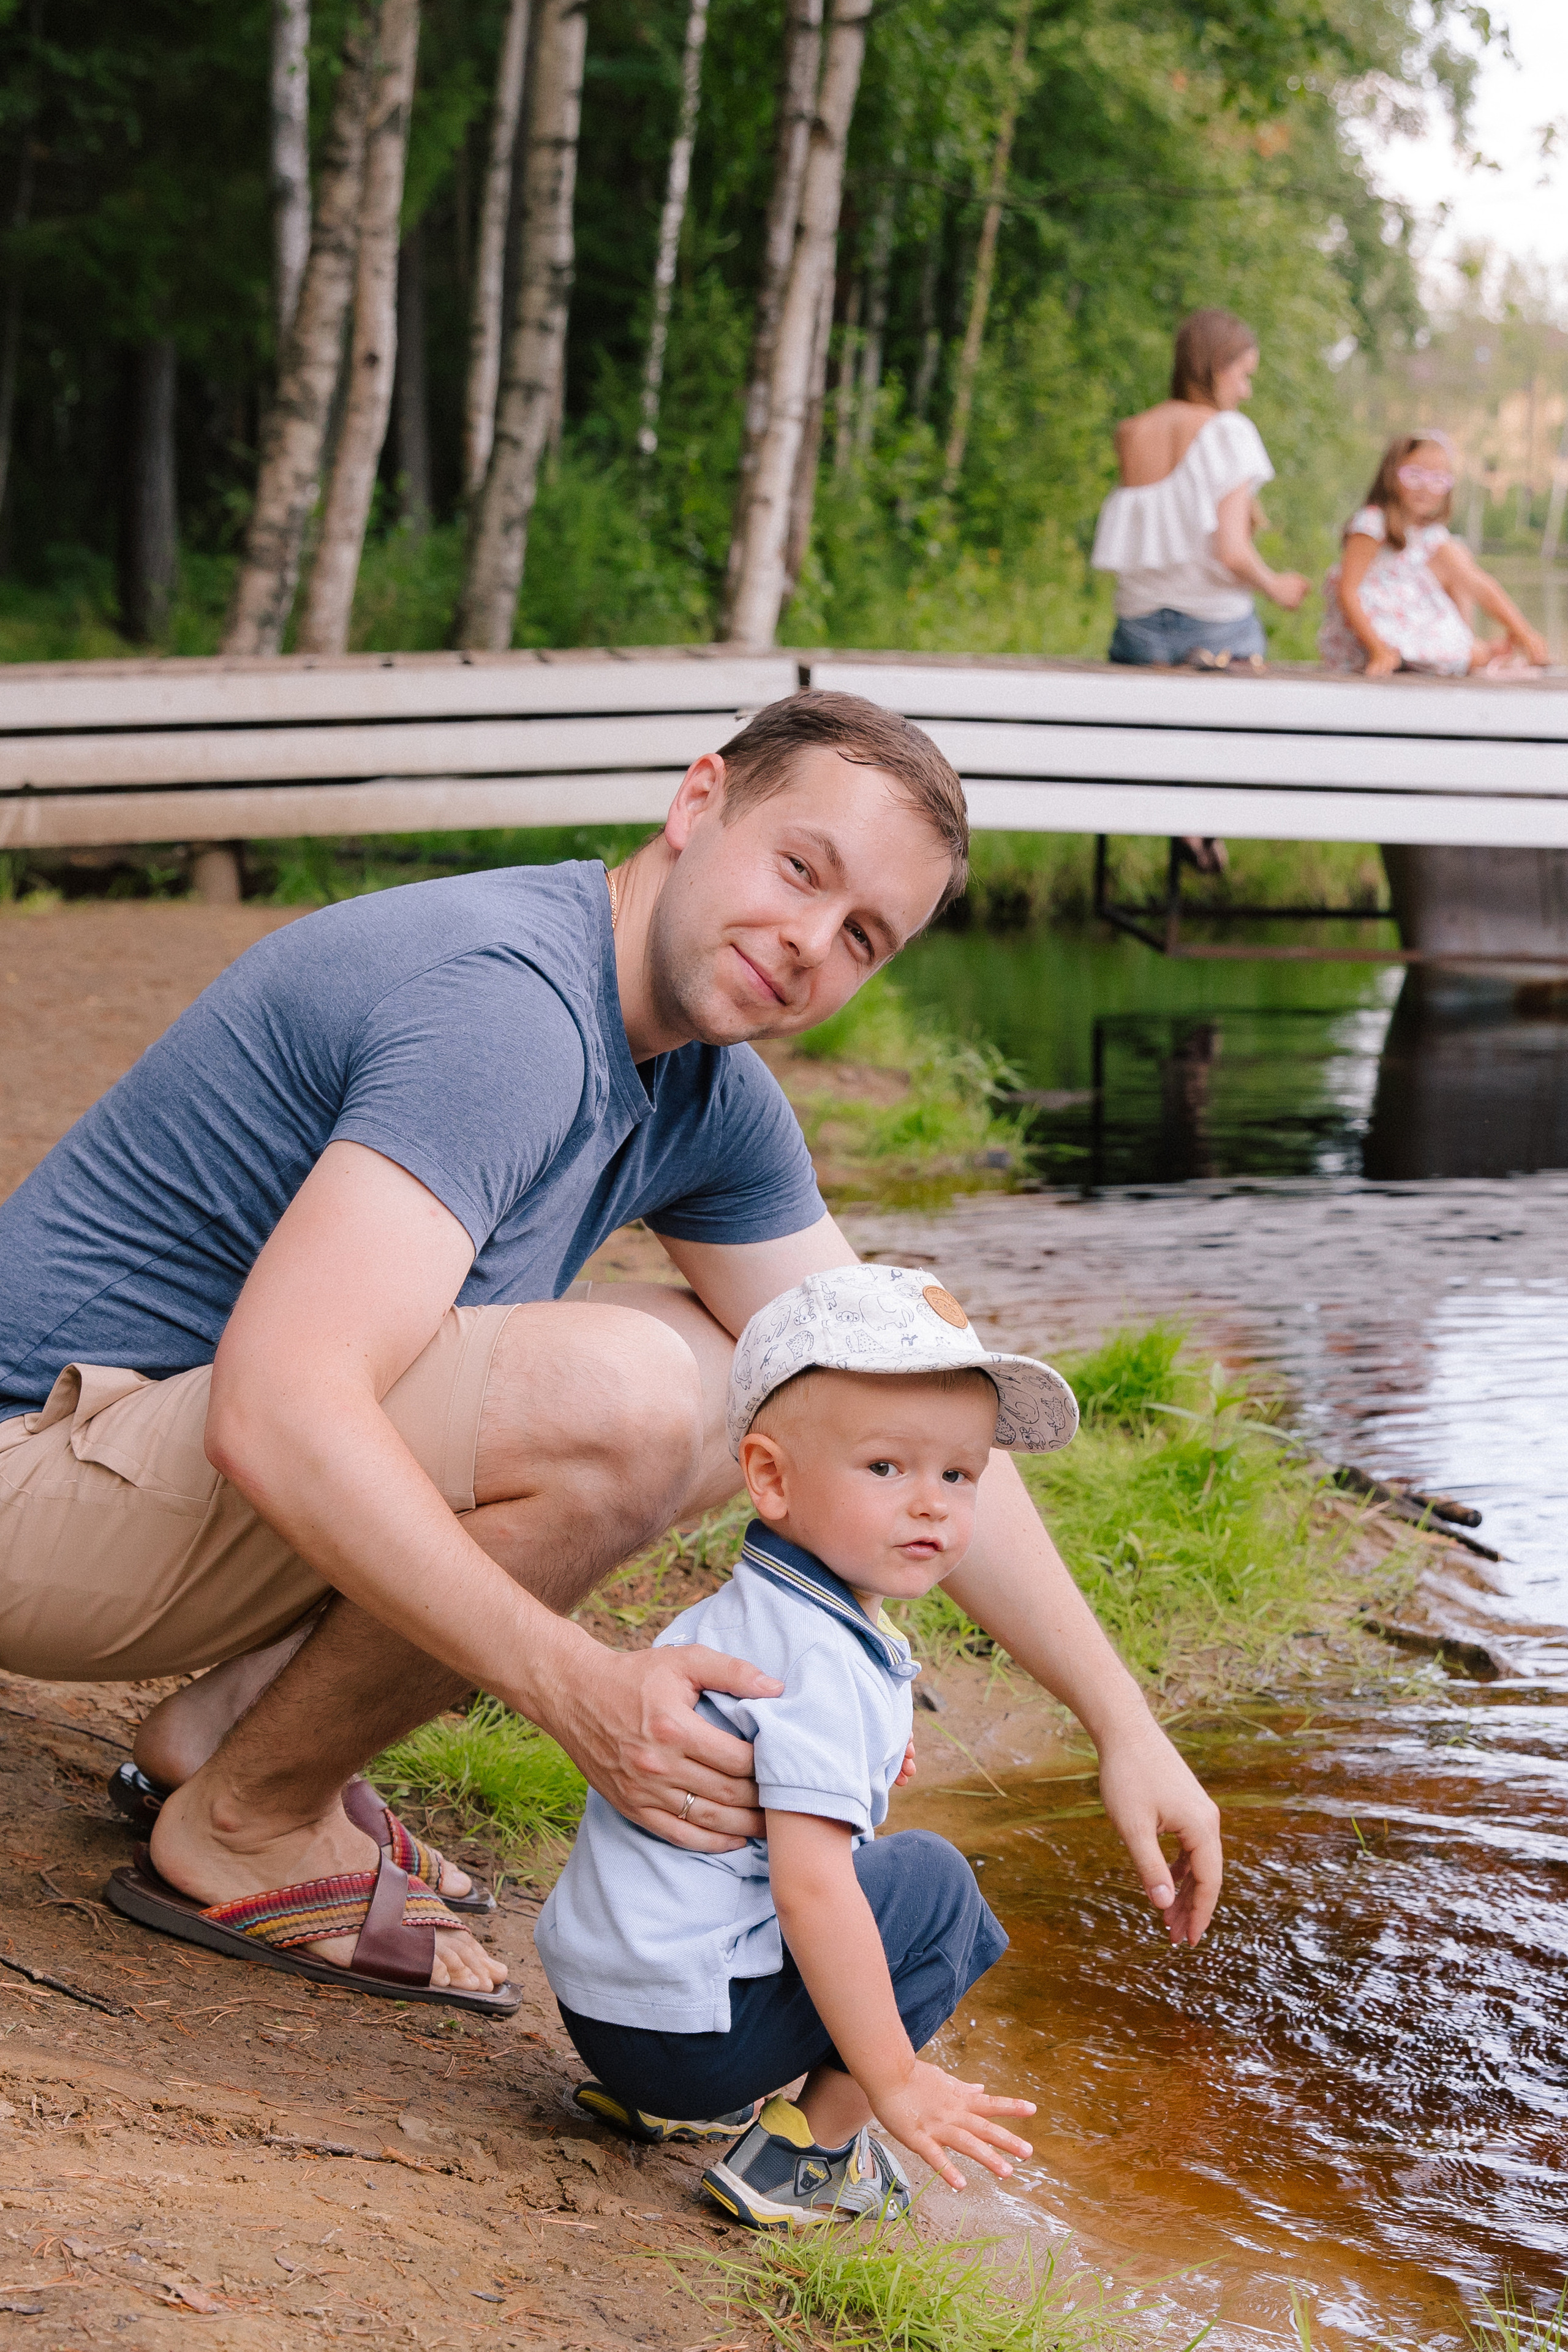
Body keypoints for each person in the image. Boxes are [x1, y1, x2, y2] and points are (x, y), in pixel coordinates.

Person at [0, 689, 1221, 2015]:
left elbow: (899, 1408)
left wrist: (1120, 1719)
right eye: (799, 867)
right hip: (36, 1484)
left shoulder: (705, 1094)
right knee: (634, 1397)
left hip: (129, 1478)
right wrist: (578, 1688)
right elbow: (278, 1407)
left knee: (769, 1379)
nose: (808, 940)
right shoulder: (511, 1007)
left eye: (862, 934)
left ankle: (234, 1739)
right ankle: (246, 1823)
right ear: (697, 804)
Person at [538, 1263, 1075, 2228]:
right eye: (887, 1467)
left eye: (959, 1473)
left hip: (605, 2010)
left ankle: (667, 2105)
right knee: (938, 1888)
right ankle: (813, 2150)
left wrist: (864, 1764)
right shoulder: (823, 1657)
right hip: (686, 2035)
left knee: (871, 1867)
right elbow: (811, 1885)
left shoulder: (738, 1615)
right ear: (772, 1476)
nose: (932, 1503)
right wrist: (898, 2076)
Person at [1092, 307, 1310, 674]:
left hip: (1137, 630)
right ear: (1217, 368)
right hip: (1215, 630)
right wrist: (1276, 586)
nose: (1246, 390)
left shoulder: (1131, 433)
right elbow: (1231, 553)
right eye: (1244, 375)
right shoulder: (1230, 431)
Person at [1318, 433, 1548, 676]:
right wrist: (1378, 650)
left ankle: (1477, 649)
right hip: (1368, 634)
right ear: (1391, 475)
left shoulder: (1428, 534)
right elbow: (1347, 590)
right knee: (1472, 655)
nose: (1426, 488)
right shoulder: (1373, 523)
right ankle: (1476, 651)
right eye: (1415, 476)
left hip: (1405, 622)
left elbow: (1477, 583)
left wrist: (1524, 631)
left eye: (1438, 480)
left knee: (1458, 562)